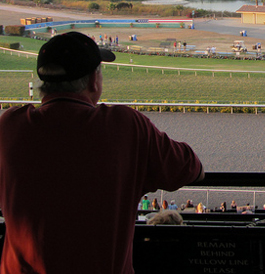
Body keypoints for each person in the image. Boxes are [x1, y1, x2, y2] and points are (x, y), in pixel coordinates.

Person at [0, 32, 204, 274]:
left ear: (43, 83)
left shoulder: (10, 125)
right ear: (93, 82)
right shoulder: (125, 126)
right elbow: (192, 170)